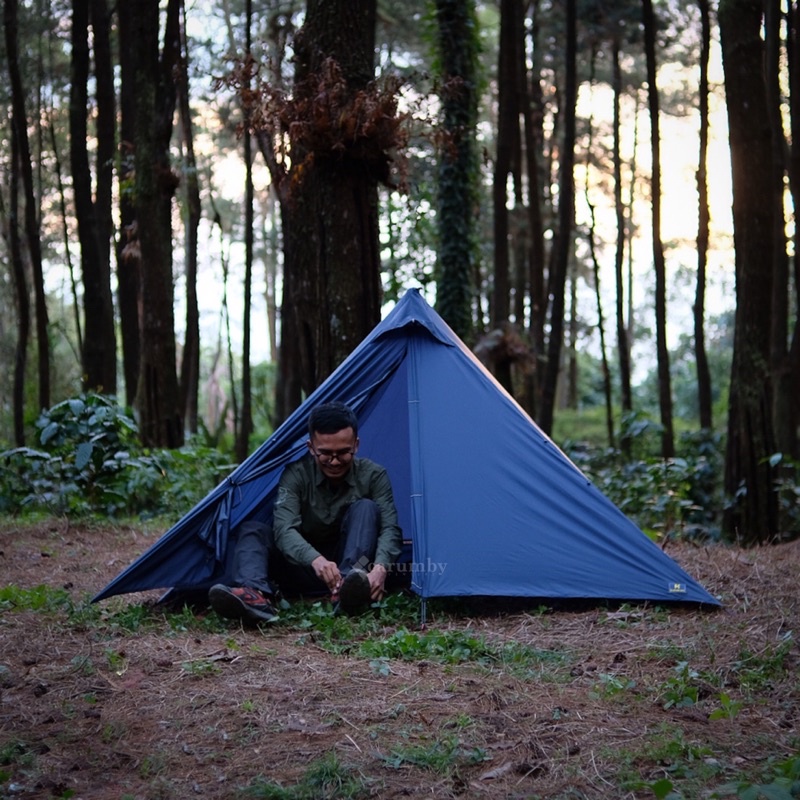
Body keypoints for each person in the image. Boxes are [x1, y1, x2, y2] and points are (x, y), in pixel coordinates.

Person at [208, 402, 402, 624]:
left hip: (352, 568)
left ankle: (349, 592)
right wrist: (316, 560)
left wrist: (379, 570)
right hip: (302, 568)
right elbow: (283, 529)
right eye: (326, 454)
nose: (335, 461)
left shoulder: (374, 475)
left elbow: (390, 528)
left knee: (366, 507)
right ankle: (255, 596)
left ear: (356, 445)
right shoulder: (295, 475)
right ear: (311, 448)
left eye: (343, 453)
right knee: (253, 529)